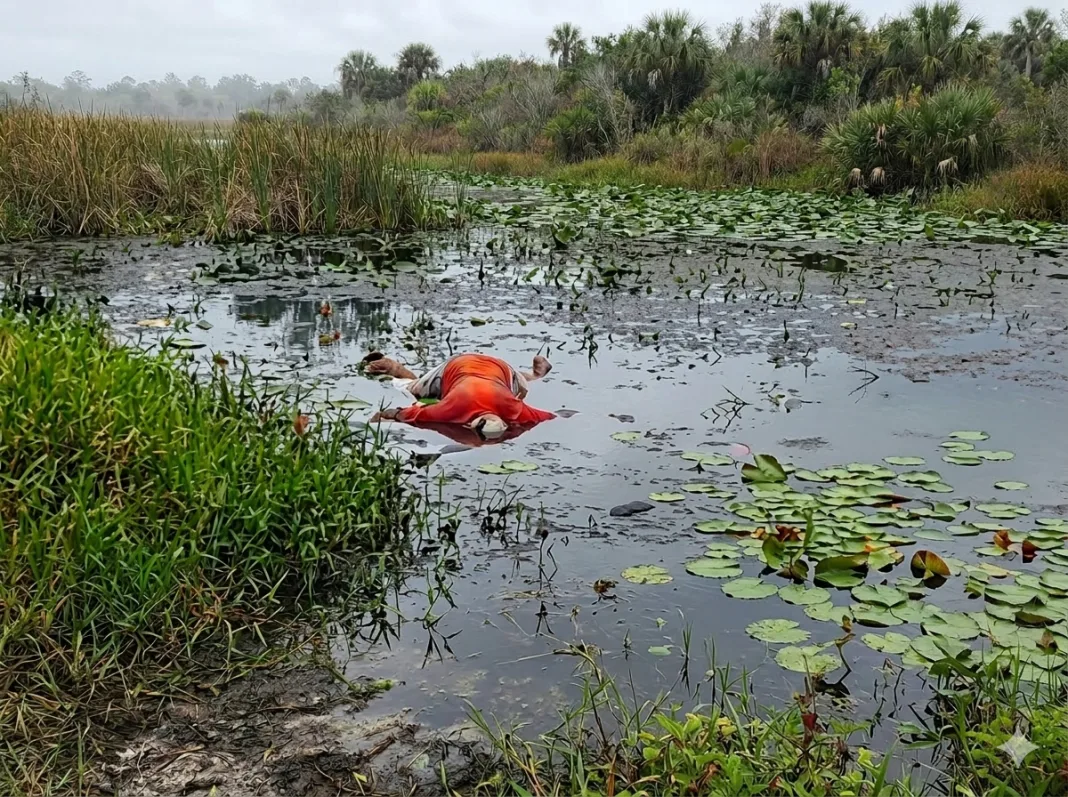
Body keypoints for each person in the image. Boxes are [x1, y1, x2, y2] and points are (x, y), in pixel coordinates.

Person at [366, 352, 555, 441]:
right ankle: (395, 369)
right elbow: (412, 414)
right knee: (413, 389)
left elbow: (551, 416)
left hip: (500, 367)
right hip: (460, 367)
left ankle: (537, 374)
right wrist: (390, 414)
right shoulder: (457, 407)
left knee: (519, 385)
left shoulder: (512, 406)